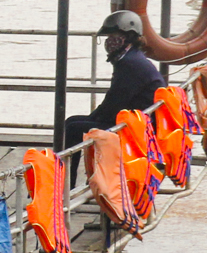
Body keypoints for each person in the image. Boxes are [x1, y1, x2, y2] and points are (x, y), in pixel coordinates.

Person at [63, 11, 164, 174]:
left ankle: (67, 182)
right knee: (71, 122)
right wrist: (93, 117)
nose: (110, 41)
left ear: (129, 36)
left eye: (114, 35)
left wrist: (95, 118)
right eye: (109, 36)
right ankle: (67, 179)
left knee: (73, 128)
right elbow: (114, 99)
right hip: (132, 119)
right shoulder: (131, 58)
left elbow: (116, 102)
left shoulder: (130, 64)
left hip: (136, 126)